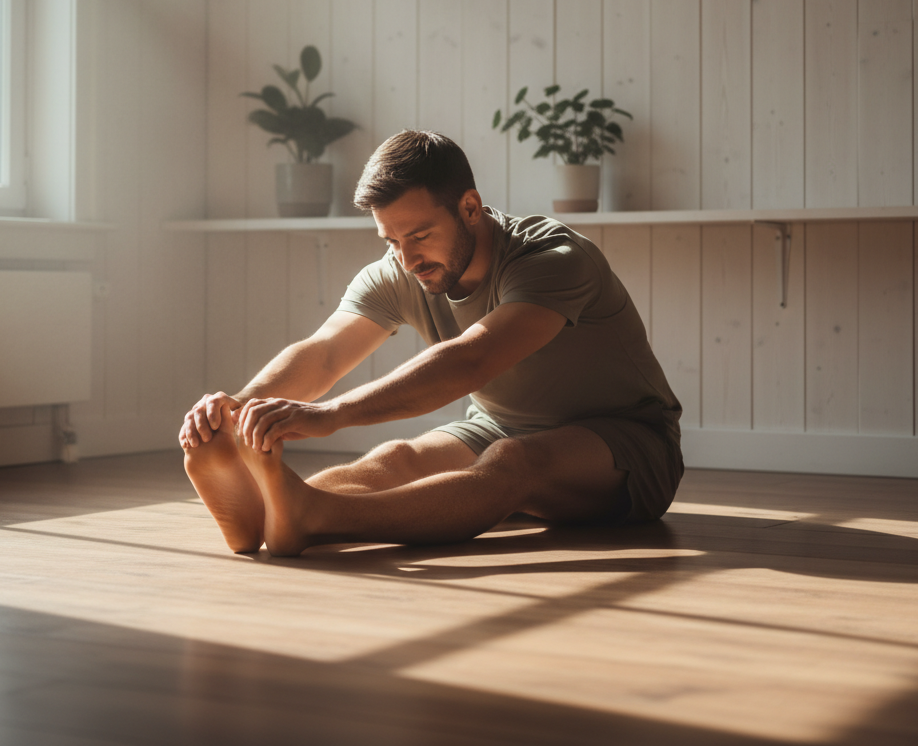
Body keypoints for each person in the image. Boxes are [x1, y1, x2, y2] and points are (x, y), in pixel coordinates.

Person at [179, 130, 683, 557]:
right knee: (397, 458)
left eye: (419, 234)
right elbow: (326, 349)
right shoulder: (402, 269)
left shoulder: (552, 257)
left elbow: (472, 360)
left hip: (629, 444)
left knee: (514, 460)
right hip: (497, 426)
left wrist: (330, 415)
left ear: (469, 207)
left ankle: (315, 516)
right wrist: (239, 410)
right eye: (390, 241)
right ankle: (275, 514)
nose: (407, 258)